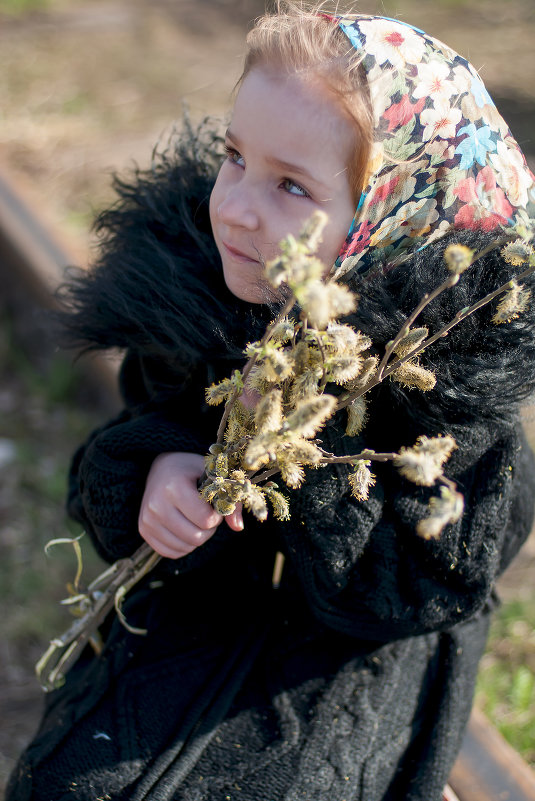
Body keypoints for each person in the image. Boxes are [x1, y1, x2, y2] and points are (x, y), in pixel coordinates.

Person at [7, 3, 535, 800]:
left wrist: (302, 471)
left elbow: (418, 589)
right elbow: (123, 440)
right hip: (188, 628)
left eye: (291, 184)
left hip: (343, 682)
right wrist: (157, 472)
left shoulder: (445, 394)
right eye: (232, 157)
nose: (237, 207)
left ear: (393, 216)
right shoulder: (203, 320)